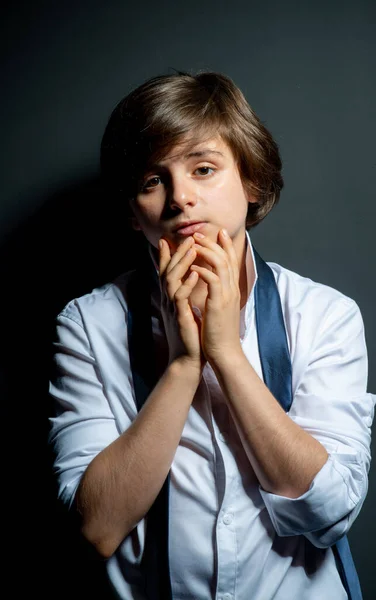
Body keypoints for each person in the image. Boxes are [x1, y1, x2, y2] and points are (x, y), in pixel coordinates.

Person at [48, 70, 375, 600]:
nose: (181, 199)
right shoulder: (88, 324)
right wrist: (182, 366)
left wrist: (225, 354)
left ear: (250, 181)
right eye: (153, 181)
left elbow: (329, 512)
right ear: (135, 212)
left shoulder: (325, 315)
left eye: (203, 169)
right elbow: (98, 527)